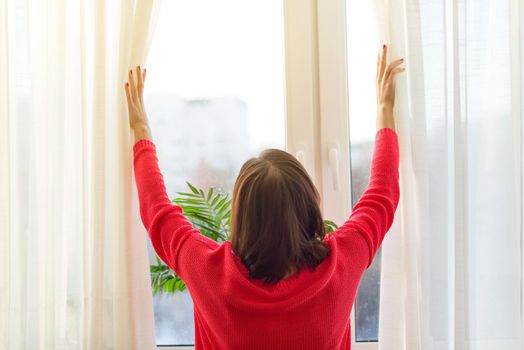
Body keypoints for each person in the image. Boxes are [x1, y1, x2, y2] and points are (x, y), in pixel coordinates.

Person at [125, 44, 403, 350]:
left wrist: (140, 130)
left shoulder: (208, 270)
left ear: (243, 217)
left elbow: (157, 211)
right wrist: (384, 110)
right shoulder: (341, 264)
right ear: (309, 205)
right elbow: (382, 194)